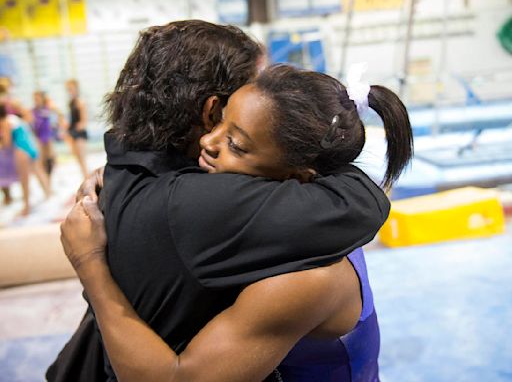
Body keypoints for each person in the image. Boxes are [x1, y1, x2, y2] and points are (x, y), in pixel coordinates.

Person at [47, 20, 400, 381]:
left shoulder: (306, 268)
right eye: (224, 123)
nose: (209, 143)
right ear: (212, 111)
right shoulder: (249, 207)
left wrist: (90, 263)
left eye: (237, 142)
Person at [0, 104, 51, 216]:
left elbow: (7, 144)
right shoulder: (13, 118)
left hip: (21, 151)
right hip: (30, 147)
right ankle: (48, 194)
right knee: (39, 172)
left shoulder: (5, 122)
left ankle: (27, 206)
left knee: (24, 181)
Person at [64, 79, 88, 179]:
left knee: (82, 159)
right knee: (78, 159)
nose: (70, 91)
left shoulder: (80, 102)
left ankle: (87, 178)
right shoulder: (71, 102)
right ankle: (85, 177)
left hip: (79, 133)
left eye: (71, 89)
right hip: (72, 131)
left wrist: (77, 127)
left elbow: (84, 121)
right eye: (68, 89)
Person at [32, 90, 57, 179]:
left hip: (48, 136)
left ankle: (50, 180)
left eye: (38, 97)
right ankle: (46, 181)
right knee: (42, 161)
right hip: (39, 137)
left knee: (50, 159)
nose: (36, 99)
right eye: (35, 98)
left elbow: (56, 112)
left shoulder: (47, 107)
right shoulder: (34, 110)